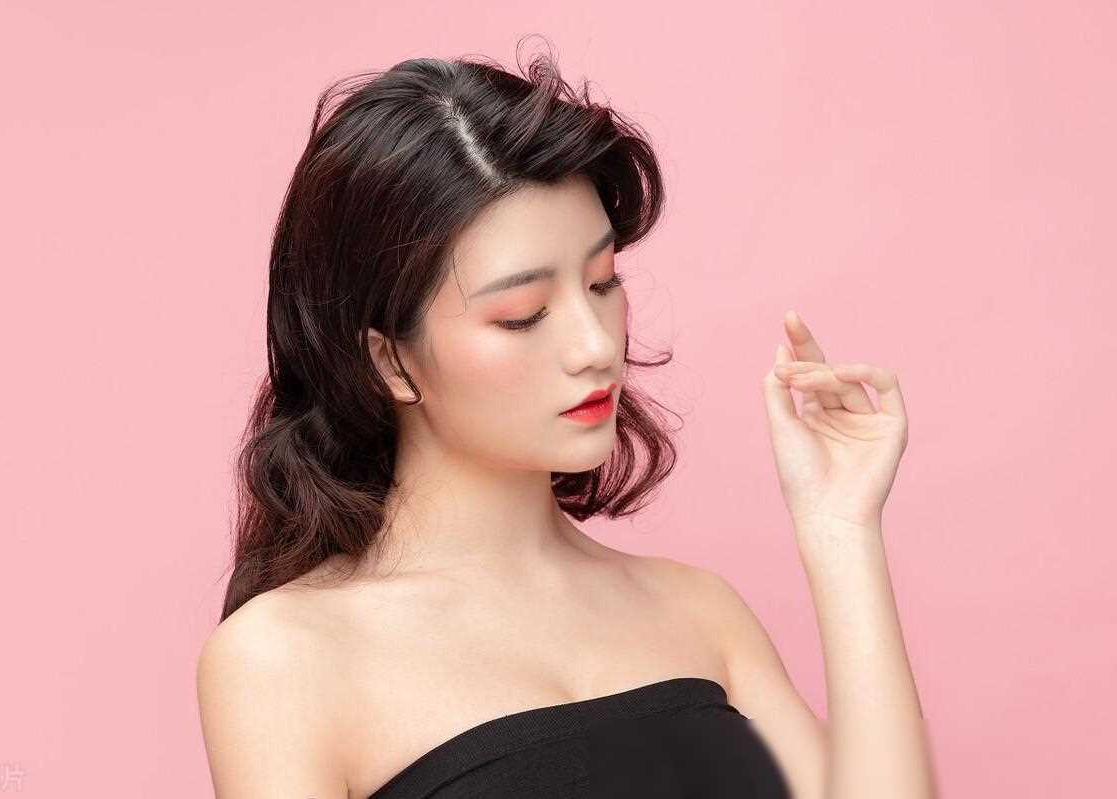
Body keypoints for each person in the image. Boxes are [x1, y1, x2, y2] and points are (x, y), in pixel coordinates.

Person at [196, 41, 935, 799]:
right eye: (523, 314)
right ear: (389, 360)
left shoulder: (698, 611)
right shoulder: (284, 659)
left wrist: (842, 529)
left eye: (603, 282)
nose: (595, 346)